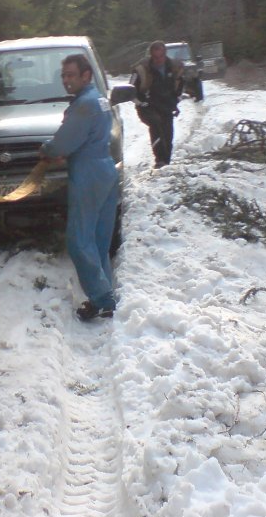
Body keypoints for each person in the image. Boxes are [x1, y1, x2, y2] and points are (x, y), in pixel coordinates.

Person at [40, 54, 119, 322]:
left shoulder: (84, 105)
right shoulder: (99, 99)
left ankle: (102, 298)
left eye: (71, 75)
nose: (66, 80)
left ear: (86, 75)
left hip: (88, 173)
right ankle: (105, 293)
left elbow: (63, 143)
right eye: (63, 75)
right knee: (98, 238)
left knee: (78, 239)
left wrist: (47, 150)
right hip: (106, 168)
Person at [130, 40, 184, 168]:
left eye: (160, 57)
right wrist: (141, 102)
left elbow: (181, 85)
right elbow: (131, 90)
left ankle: (166, 161)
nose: (158, 60)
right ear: (151, 56)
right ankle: (160, 159)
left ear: (165, 54)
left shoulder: (174, 67)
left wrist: (176, 101)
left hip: (166, 106)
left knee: (168, 133)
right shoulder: (141, 70)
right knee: (156, 124)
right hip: (147, 106)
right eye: (155, 57)